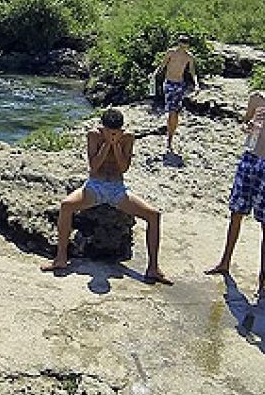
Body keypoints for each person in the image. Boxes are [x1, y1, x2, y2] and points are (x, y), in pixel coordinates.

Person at [40, 108, 171, 284]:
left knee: (154, 215)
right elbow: (93, 166)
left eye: (116, 132)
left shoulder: (128, 138)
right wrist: (106, 145)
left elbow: (124, 167)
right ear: (103, 128)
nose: (113, 134)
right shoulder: (93, 136)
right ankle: (61, 257)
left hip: (117, 189)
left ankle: (153, 267)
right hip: (95, 186)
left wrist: (116, 145)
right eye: (110, 132)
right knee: (66, 205)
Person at [205, 59, 265, 294]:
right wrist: (249, 126)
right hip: (250, 159)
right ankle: (224, 262)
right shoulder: (256, 98)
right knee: (236, 213)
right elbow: (246, 122)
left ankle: (262, 277)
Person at [159, 35, 197, 152]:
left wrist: (196, 84)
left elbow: (192, 72)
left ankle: (171, 135)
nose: (183, 44)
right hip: (169, 83)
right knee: (171, 111)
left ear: (187, 45)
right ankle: (169, 138)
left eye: (185, 42)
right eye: (181, 42)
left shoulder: (189, 57)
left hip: (180, 85)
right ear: (178, 43)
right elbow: (162, 65)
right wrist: (155, 74)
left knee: (175, 112)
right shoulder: (171, 52)